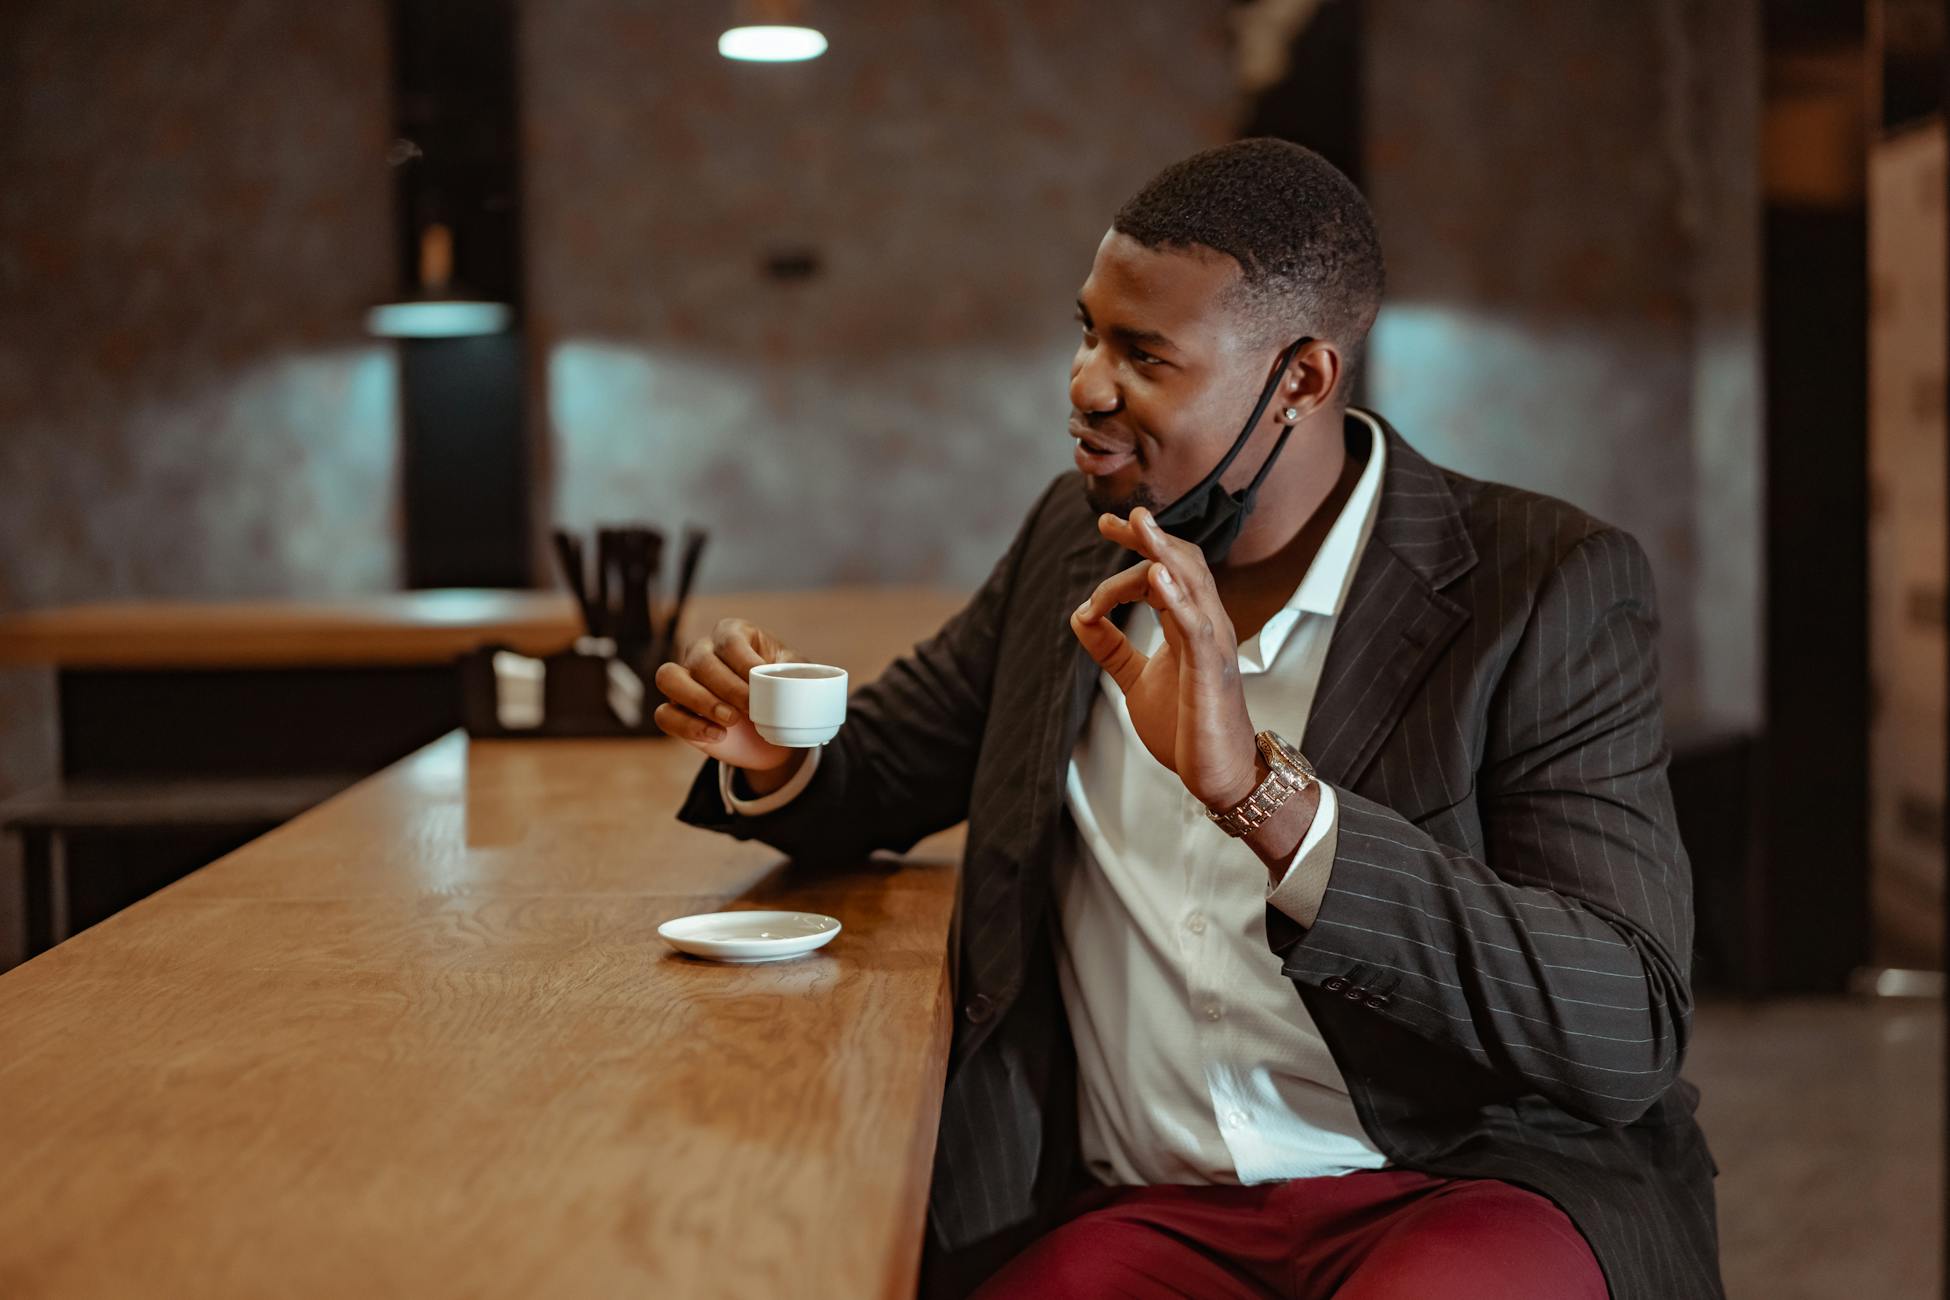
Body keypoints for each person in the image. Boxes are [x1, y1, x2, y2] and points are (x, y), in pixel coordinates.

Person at [655, 138, 1722, 1299]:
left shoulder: (1543, 584)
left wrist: (1271, 806)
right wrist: (778, 757)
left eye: (1144, 356)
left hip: (1460, 1185)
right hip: (1144, 1211)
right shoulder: (1076, 544)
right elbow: (884, 771)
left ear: (1302, 380)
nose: (1085, 385)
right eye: (1089, 332)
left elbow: (1624, 1021)